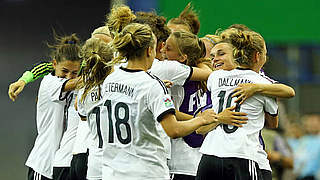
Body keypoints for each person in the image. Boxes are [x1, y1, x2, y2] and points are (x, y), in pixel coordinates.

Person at [99, 23, 217, 180]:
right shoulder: (152, 85)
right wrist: (201, 119)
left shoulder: (110, 79)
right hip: (146, 171)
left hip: (112, 170)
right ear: (149, 50)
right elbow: (174, 130)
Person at [196, 29, 279, 180]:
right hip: (243, 154)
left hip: (209, 154)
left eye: (221, 54)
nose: (214, 60)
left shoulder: (215, 78)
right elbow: (273, 123)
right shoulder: (264, 83)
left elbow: (199, 127)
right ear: (257, 56)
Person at [19, 34, 82, 180]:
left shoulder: (77, 83)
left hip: (63, 164)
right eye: (64, 71)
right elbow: (73, 83)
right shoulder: (49, 83)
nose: (68, 76)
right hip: (43, 163)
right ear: (54, 64)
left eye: (74, 73)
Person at [76, 37, 119, 180]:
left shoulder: (83, 91)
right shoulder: (122, 84)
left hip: (96, 163)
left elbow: (82, 116)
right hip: (121, 162)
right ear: (111, 59)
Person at [289, 114, 320, 180]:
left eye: (314, 122)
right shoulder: (303, 140)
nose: (311, 125)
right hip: (298, 176)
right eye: (309, 122)